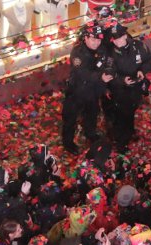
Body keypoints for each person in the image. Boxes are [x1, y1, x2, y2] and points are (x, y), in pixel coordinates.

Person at [103, 22, 151, 151]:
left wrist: (142, 70)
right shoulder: (110, 54)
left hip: (135, 88)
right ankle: (121, 142)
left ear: (125, 36)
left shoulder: (139, 46)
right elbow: (109, 73)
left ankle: (130, 132)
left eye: (120, 37)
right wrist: (122, 80)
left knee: (131, 111)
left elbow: (149, 59)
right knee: (120, 116)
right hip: (119, 91)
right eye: (115, 39)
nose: (118, 41)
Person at [62, 22, 110, 154]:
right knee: (70, 119)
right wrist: (101, 77)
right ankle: (68, 143)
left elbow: (106, 63)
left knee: (91, 114)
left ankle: (90, 133)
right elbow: (83, 73)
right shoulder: (78, 53)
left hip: (93, 92)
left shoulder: (102, 49)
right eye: (93, 39)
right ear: (86, 38)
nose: (96, 43)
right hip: (76, 92)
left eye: (98, 40)